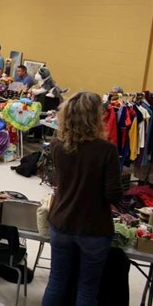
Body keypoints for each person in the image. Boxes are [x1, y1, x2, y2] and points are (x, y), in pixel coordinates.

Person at [41, 92, 122, 306]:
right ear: (95, 117)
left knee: (56, 281)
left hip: (61, 222)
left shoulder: (58, 145)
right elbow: (113, 194)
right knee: (87, 288)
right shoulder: (107, 150)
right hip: (93, 228)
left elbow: (57, 181)